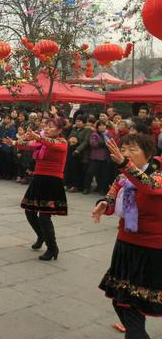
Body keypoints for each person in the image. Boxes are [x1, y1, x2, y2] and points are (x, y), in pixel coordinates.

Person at [93, 134, 162, 339]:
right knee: (120, 299)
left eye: (132, 149)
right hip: (125, 244)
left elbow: (149, 185)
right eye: (123, 149)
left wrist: (124, 163)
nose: (126, 153)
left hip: (152, 249)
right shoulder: (123, 177)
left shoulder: (158, 174)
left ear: (148, 154)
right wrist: (105, 204)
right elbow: (112, 194)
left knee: (134, 302)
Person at [5, 116, 68, 261]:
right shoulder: (42, 142)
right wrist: (14, 142)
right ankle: (41, 236)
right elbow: (28, 145)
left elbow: (50, 143)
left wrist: (38, 137)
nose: (46, 128)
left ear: (59, 130)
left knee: (45, 216)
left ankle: (53, 248)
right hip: (39, 179)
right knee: (29, 211)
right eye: (46, 126)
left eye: (50, 126)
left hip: (52, 181)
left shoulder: (62, 142)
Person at [85, 120, 113, 195]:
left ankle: (103, 189)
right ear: (97, 127)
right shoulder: (94, 134)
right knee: (90, 172)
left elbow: (112, 143)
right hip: (95, 157)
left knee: (104, 175)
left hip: (106, 158)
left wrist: (102, 143)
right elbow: (93, 144)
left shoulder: (109, 134)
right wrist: (104, 143)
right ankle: (86, 188)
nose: (102, 127)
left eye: (103, 125)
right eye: (100, 125)